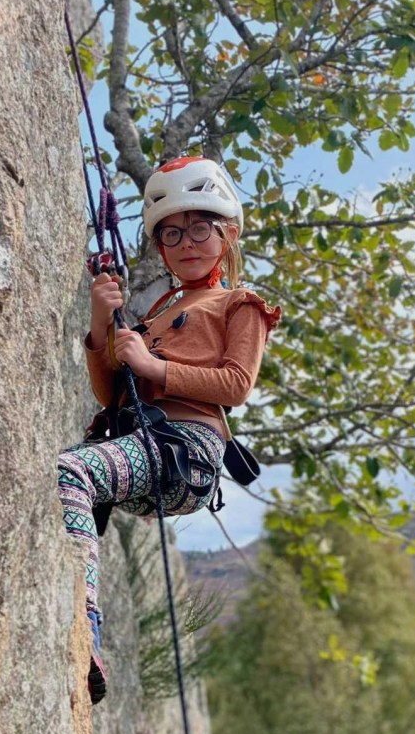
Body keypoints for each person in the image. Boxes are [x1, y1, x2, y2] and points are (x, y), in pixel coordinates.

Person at [57, 156, 281, 704]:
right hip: (145, 446)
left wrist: (155, 366)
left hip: (186, 451)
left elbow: (236, 384)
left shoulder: (240, 304)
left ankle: (85, 623)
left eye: (200, 227)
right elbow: (111, 395)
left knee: (71, 471)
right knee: (66, 479)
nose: (186, 243)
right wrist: (101, 326)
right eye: (171, 234)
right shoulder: (157, 315)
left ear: (228, 234)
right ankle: (77, 608)